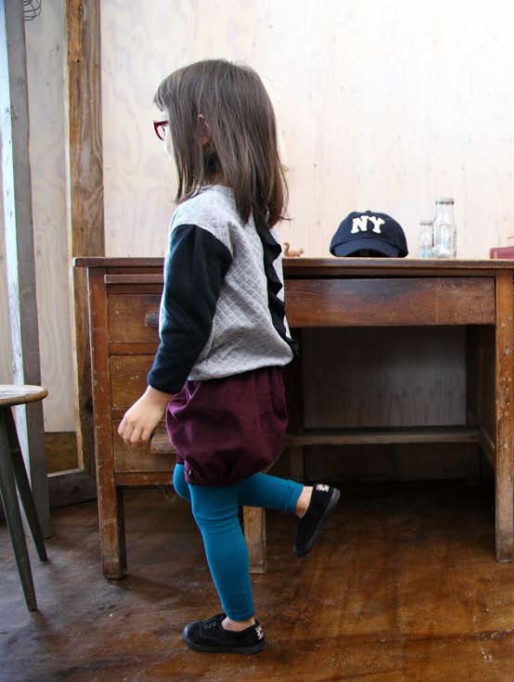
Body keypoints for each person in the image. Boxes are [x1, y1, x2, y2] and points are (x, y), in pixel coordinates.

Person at [118, 59, 340, 655]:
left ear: (203, 129)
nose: (166, 137)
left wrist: (155, 396)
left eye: (167, 125)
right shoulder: (248, 214)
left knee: (213, 505)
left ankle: (241, 625)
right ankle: (307, 499)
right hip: (258, 383)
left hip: (220, 388)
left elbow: (186, 324)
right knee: (191, 480)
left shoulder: (201, 215)